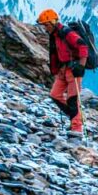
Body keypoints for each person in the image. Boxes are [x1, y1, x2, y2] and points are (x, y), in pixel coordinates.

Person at [37, 9, 88, 137]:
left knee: (72, 99)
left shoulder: (66, 33)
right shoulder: (54, 35)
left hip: (74, 70)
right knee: (55, 95)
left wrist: (81, 67)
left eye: (46, 25)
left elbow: (83, 46)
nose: (45, 28)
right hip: (63, 70)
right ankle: (75, 118)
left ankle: (77, 128)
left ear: (53, 22)